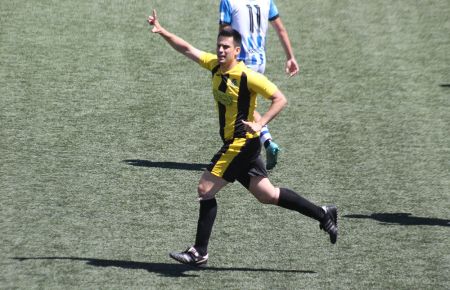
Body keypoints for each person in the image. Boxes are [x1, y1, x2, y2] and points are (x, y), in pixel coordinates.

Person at [147, 9, 337, 267]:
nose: (221, 50)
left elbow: (280, 99)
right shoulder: (214, 65)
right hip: (239, 145)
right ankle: (322, 213)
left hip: (240, 143)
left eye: (226, 47)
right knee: (267, 195)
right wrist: (163, 31)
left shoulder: (248, 76)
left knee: (204, 189)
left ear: (237, 51)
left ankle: (199, 252)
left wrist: (260, 123)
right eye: (219, 46)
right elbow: (188, 49)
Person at [219, 0, 300, 170]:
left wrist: (221, 61)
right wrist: (290, 57)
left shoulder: (228, 1)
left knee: (240, 110)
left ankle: (262, 145)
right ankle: (264, 143)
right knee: (249, 106)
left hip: (239, 63)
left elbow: (224, 33)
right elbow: (281, 29)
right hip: (259, 62)